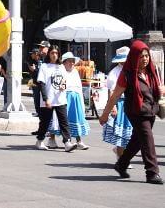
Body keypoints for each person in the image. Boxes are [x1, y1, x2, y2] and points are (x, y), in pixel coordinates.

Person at [99, 40, 165, 184]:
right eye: (141, 56)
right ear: (135, 57)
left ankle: (121, 164)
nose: (145, 59)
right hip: (136, 111)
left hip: (150, 111)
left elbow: (157, 89)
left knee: (137, 141)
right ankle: (152, 172)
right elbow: (115, 95)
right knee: (148, 140)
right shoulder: (127, 74)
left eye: (147, 56)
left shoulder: (151, 71)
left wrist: (161, 91)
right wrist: (105, 115)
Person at [35, 45, 76, 152]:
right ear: (49, 54)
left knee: (64, 121)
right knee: (45, 122)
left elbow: (65, 80)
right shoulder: (44, 66)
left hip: (60, 98)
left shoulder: (61, 67)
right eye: (52, 53)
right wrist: (45, 99)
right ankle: (39, 140)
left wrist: (63, 85)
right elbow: (41, 83)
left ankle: (67, 142)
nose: (54, 55)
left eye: (56, 53)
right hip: (48, 99)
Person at [48, 52, 90, 150]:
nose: (72, 63)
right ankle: (52, 139)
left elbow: (78, 86)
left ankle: (79, 141)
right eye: (70, 61)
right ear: (64, 62)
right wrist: (61, 87)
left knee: (76, 119)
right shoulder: (60, 71)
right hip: (63, 97)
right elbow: (57, 84)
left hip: (75, 98)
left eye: (73, 61)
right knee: (59, 119)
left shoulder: (75, 72)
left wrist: (81, 99)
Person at [102, 46, 133, 164]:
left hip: (130, 102)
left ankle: (120, 153)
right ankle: (122, 159)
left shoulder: (132, 70)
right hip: (120, 102)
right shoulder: (114, 72)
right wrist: (113, 106)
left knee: (129, 133)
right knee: (121, 134)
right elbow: (111, 91)